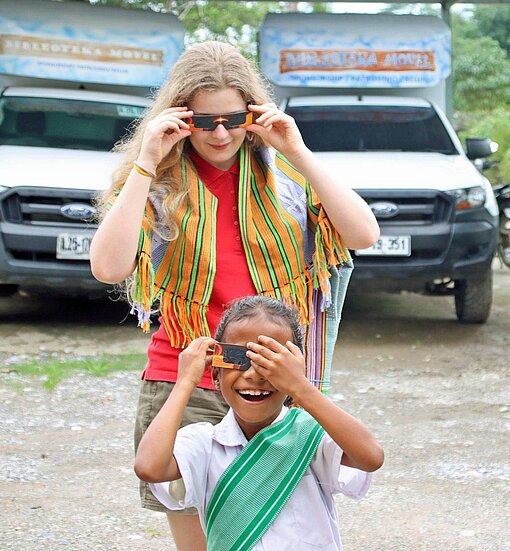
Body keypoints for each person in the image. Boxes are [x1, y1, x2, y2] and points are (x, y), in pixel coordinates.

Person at [90, 41, 379, 551]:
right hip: (188, 374)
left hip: (278, 375)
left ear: (254, 111)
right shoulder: (159, 184)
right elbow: (108, 267)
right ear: (179, 118)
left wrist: (296, 150)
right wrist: (146, 162)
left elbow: (362, 235)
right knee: (203, 541)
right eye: (204, 122)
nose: (220, 134)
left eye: (233, 118)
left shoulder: (287, 175)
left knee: (282, 526)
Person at [134, 295, 384, 551]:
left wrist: (301, 387)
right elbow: (149, 468)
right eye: (239, 359)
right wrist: (186, 381)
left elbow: (371, 457)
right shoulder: (205, 444)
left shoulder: (311, 436)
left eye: (270, 364)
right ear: (216, 376)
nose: (254, 375)